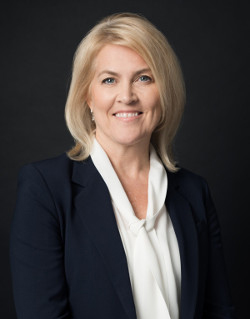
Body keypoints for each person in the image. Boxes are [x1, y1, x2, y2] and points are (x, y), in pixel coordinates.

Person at [10, 12, 235, 319]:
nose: (126, 96)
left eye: (144, 78)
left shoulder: (194, 192)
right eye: (109, 80)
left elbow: (219, 311)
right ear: (87, 97)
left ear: (164, 93)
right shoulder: (45, 190)